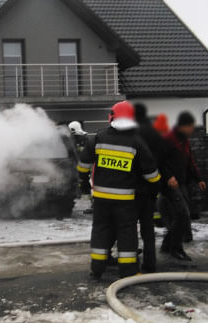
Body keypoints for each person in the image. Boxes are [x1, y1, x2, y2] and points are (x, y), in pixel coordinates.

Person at [79, 101, 160, 278]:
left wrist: (84, 183)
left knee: (100, 230)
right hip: (125, 201)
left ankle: (97, 269)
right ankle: (128, 272)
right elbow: (151, 174)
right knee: (126, 233)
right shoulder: (136, 142)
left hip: (100, 198)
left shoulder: (98, 138)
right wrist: (155, 188)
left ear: (111, 117)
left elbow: (83, 164)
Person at [159, 111, 206, 261]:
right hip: (170, 186)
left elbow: (190, 162)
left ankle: (167, 245)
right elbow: (158, 161)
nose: (192, 129)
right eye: (190, 126)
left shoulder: (184, 141)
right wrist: (168, 177)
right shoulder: (168, 139)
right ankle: (176, 248)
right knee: (182, 215)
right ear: (182, 126)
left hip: (182, 184)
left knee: (178, 216)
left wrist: (198, 178)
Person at [133, 103, 168, 273]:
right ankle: (150, 263)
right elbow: (162, 158)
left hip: (132, 188)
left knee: (130, 228)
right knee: (148, 229)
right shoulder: (155, 133)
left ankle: (131, 261)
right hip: (151, 186)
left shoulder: (131, 134)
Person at [69, 120, 92, 197]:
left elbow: (85, 152)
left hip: (84, 165)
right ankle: (80, 194)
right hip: (77, 165)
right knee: (79, 181)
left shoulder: (84, 138)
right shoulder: (74, 138)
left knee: (84, 181)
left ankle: (86, 194)